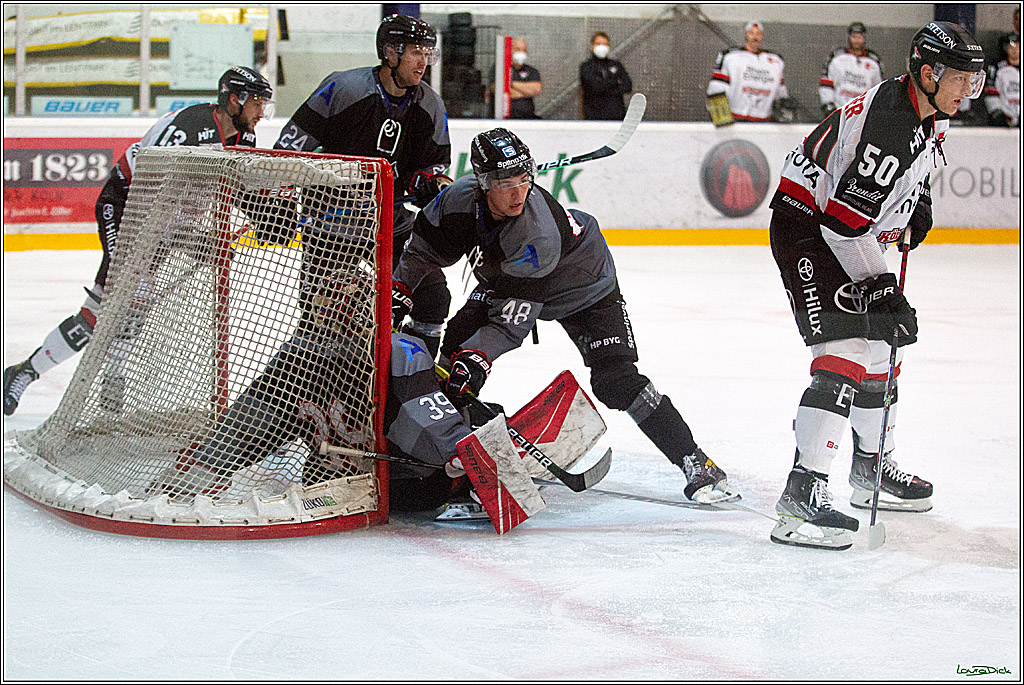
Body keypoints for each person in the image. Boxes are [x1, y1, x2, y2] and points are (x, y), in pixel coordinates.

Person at [390, 127, 736, 504]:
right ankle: (452, 459)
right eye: (507, 182)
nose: (518, 192)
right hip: (510, 280)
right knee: (457, 348)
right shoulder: (458, 200)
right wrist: (400, 290)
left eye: (524, 180)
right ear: (483, 182)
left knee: (615, 381)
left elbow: (509, 324)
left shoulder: (536, 232)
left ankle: (696, 462)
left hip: (586, 287)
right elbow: (422, 249)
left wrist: (479, 359)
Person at [766, 22, 986, 550]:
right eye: (960, 79)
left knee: (882, 354)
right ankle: (801, 498)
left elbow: (916, 165)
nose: (967, 92)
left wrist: (919, 203)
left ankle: (871, 470)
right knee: (846, 349)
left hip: (847, 228)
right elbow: (842, 223)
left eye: (974, 82)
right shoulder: (890, 121)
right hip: (809, 230)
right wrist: (883, 287)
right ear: (928, 72)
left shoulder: (931, 110)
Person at [3, 66, 273, 417]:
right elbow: (147, 190)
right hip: (126, 207)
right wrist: (185, 241)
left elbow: (235, 188)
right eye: (256, 102)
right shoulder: (191, 127)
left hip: (162, 220)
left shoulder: (243, 137)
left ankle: (111, 378)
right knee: (112, 303)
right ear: (234, 99)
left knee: (133, 304)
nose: (261, 112)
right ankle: (25, 371)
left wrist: (267, 217)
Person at [273, 14, 453, 358]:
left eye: (427, 52)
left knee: (432, 297)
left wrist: (428, 183)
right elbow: (289, 148)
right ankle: (316, 381)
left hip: (392, 222)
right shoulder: (343, 88)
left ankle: (419, 370)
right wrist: (284, 194)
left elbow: (435, 166)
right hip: (331, 224)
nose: (423, 61)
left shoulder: (429, 104)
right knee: (320, 314)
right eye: (415, 51)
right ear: (390, 52)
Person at [707, 21, 794, 122]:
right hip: (736, 119)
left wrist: (784, 107)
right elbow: (716, 88)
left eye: (758, 33)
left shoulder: (776, 60)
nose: (755, 37)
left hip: (764, 121)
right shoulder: (730, 57)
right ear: (746, 35)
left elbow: (781, 91)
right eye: (751, 33)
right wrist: (721, 120)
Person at [819, 22, 883, 116]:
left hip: (863, 115)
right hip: (840, 111)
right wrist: (828, 105)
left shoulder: (874, 61)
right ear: (849, 37)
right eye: (854, 36)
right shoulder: (837, 57)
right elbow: (826, 83)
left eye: (860, 37)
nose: (857, 40)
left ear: (864, 38)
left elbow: (878, 89)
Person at [579, 32, 632, 120]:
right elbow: (596, 87)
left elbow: (627, 86)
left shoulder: (616, 65)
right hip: (594, 117)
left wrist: (605, 84)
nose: (602, 47)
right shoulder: (586, 67)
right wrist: (616, 81)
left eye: (605, 44)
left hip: (616, 117)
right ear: (592, 46)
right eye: (598, 44)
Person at [983, 32, 1020, 127]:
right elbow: (990, 93)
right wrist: (997, 113)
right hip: (1004, 121)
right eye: (1011, 46)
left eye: (1017, 46)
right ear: (1005, 48)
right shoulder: (997, 68)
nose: (1014, 50)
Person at [508, 37, 543, 119]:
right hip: (507, 118)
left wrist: (510, 83)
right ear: (510, 50)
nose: (521, 53)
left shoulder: (532, 71)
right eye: (517, 49)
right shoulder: (501, 69)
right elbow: (502, 91)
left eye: (524, 50)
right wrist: (526, 92)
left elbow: (536, 89)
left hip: (527, 118)